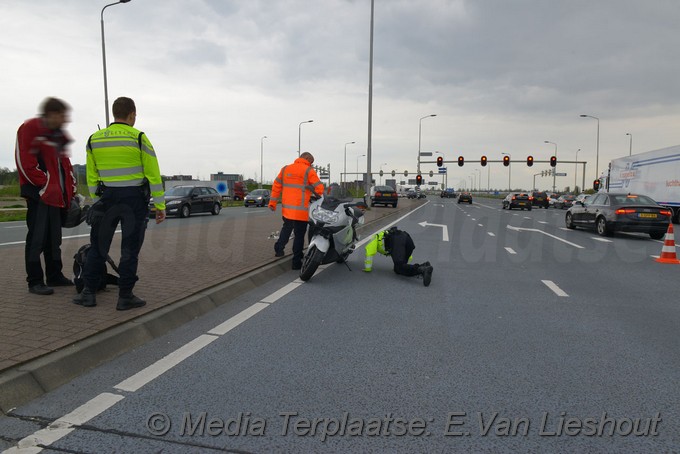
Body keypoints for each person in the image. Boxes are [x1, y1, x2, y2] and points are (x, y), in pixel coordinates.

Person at [72, 97, 166, 310]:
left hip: (107, 198)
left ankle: (88, 293)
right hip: (134, 200)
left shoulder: (94, 139)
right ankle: (125, 297)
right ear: (132, 114)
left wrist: (99, 201)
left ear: (115, 114)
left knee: (98, 247)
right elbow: (153, 176)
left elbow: (91, 176)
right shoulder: (140, 137)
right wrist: (160, 206)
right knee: (129, 250)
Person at [15, 97, 77, 295]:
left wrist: (71, 190)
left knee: (54, 239)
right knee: (37, 239)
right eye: (62, 115)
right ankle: (34, 280)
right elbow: (25, 162)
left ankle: (54, 275)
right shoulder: (30, 127)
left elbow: (65, 167)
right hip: (40, 195)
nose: (65, 120)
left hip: (56, 197)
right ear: (51, 114)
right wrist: (45, 186)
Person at [268, 152, 324, 270]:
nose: (311, 164)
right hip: (301, 210)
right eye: (311, 162)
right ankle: (296, 262)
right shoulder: (308, 170)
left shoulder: (285, 169)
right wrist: (315, 193)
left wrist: (272, 203)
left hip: (287, 209)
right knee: (299, 235)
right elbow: (319, 188)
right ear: (307, 158)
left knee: (286, 229)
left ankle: (279, 249)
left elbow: (276, 186)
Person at [363, 226, 433, 286]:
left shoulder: (373, 240)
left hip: (398, 241)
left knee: (400, 267)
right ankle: (424, 265)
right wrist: (404, 262)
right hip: (407, 238)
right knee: (398, 270)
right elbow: (403, 253)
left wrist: (367, 269)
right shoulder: (384, 236)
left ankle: (421, 270)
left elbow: (369, 253)